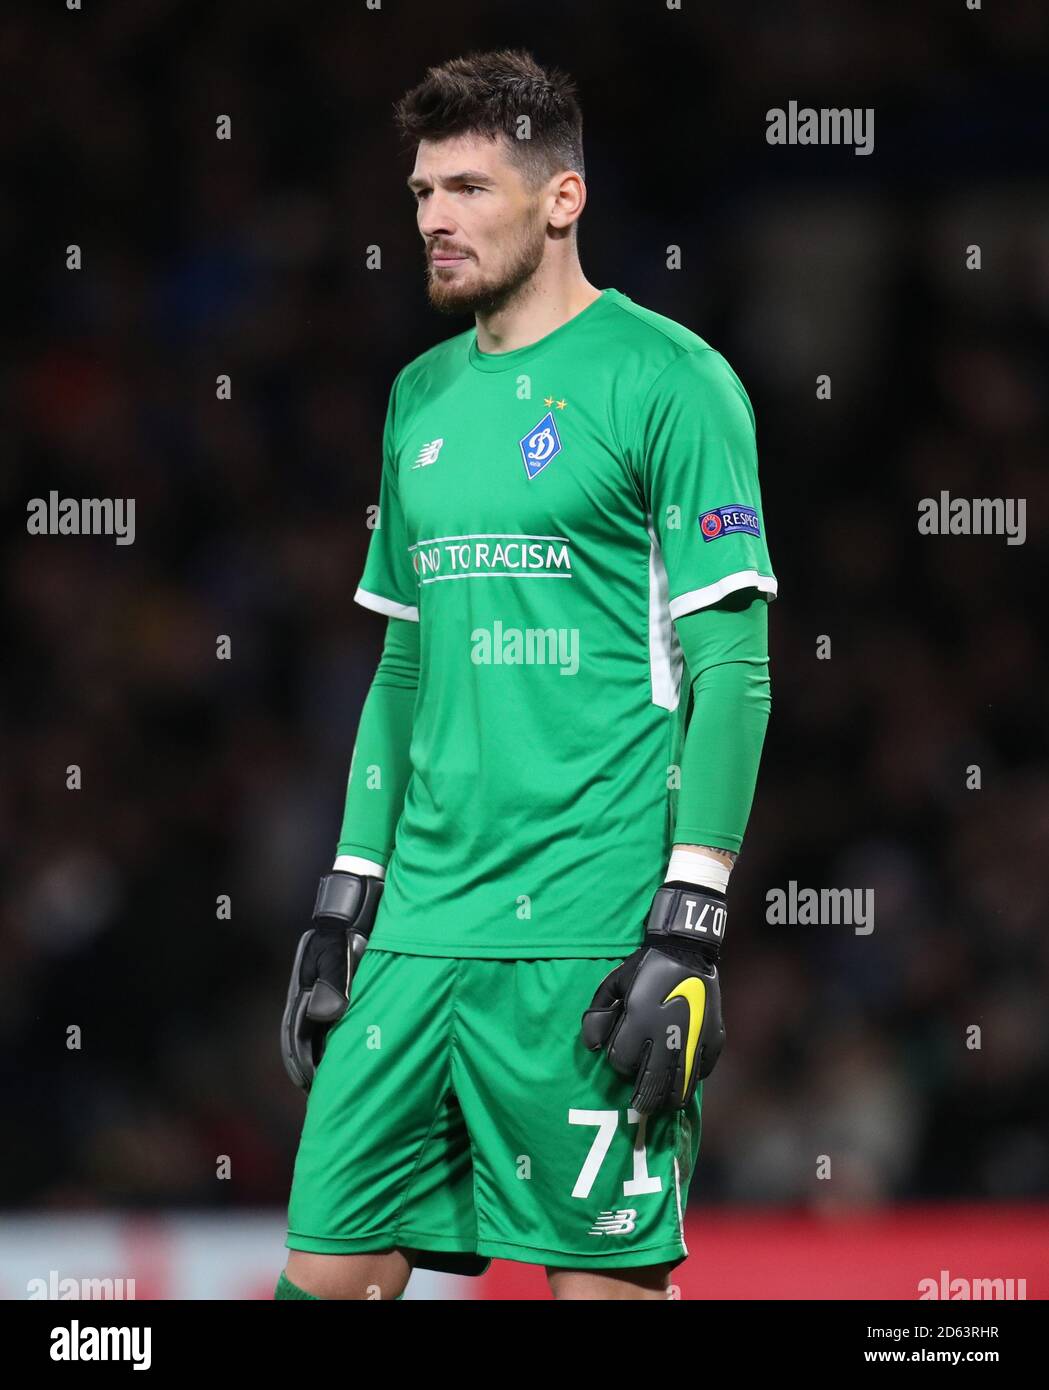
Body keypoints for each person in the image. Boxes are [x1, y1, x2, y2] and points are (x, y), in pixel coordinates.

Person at [277, 47, 776, 1301]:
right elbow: (403, 665)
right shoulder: (417, 398)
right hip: (420, 931)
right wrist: (347, 896)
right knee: (327, 1271)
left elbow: (734, 670)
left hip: (585, 928)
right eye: (419, 193)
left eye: (466, 188)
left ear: (561, 199)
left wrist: (690, 922)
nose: (434, 219)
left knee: (598, 1292)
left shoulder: (672, 381)